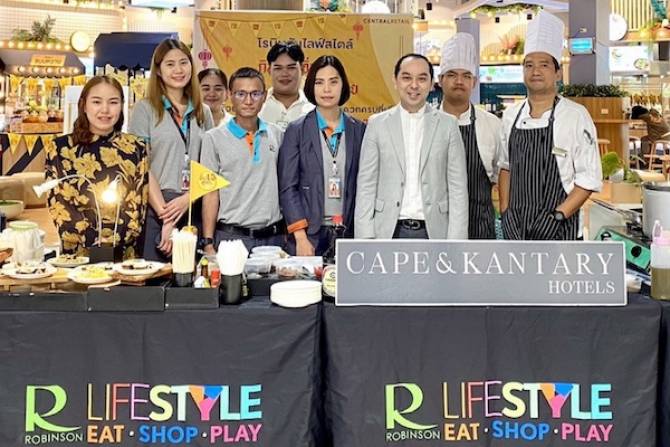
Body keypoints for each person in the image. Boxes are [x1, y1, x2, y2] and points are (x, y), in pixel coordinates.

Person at [498, 11, 602, 241]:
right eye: (529, 65)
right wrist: (505, 212)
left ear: (558, 73)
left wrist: (558, 215)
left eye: (544, 65)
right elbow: (505, 168)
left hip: (561, 229)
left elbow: (588, 179)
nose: (535, 71)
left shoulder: (576, 116)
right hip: (516, 229)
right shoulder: (511, 115)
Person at [355, 53, 468, 240]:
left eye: (422, 79)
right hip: (387, 232)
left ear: (431, 84)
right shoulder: (377, 124)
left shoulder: (448, 125)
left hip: (434, 232)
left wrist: (456, 241)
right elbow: (366, 184)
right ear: (395, 81)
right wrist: (365, 238)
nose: (414, 85)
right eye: (406, 78)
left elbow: (458, 188)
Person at [128, 38, 214, 261]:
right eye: (170, 64)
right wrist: (167, 218)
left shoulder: (203, 111)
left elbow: (210, 166)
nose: (178, 70)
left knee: (192, 277)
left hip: (193, 205)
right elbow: (141, 165)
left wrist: (188, 198)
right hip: (158, 206)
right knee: (157, 276)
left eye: (184, 62)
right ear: (158, 70)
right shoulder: (144, 110)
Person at [45, 75, 148, 258]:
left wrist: (114, 239)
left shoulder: (136, 148)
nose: (105, 110)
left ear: (121, 106)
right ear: (84, 105)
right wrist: (95, 239)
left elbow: (138, 204)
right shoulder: (60, 148)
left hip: (125, 255)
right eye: (96, 102)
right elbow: (58, 204)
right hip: (77, 255)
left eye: (113, 102)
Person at [278, 55, 366, 256]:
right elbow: (288, 188)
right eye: (319, 82)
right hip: (309, 234)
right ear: (311, 86)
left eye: (333, 82)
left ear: (343, 86)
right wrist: (300, 237)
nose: (327, 89)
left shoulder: (359, 130)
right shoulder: (297, 130)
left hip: (349, 233)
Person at [200, 67, 285, 253]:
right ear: (230, 95)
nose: (248, 101)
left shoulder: (278, 135)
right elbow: (210, 193)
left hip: (274, 238)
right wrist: (208, 242)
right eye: (241, 94)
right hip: (231, 238)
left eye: (255, 94)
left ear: (264, 96)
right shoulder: (213, 138)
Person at [440, 32, 501, 239]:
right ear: (440, 80)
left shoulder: (492, 124)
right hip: (437, 229)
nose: (459, 81)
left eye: (466, 76)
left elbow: (503, 174)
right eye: (452, 75)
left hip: (481, 228)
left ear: (474, 82)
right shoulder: (427, 123)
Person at [259, 41, 314, 130]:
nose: (284, 74)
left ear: (302, 69)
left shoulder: (313, 109)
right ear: (269, 70)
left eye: (291, 68)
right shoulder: (257, 106)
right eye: (278, 68)